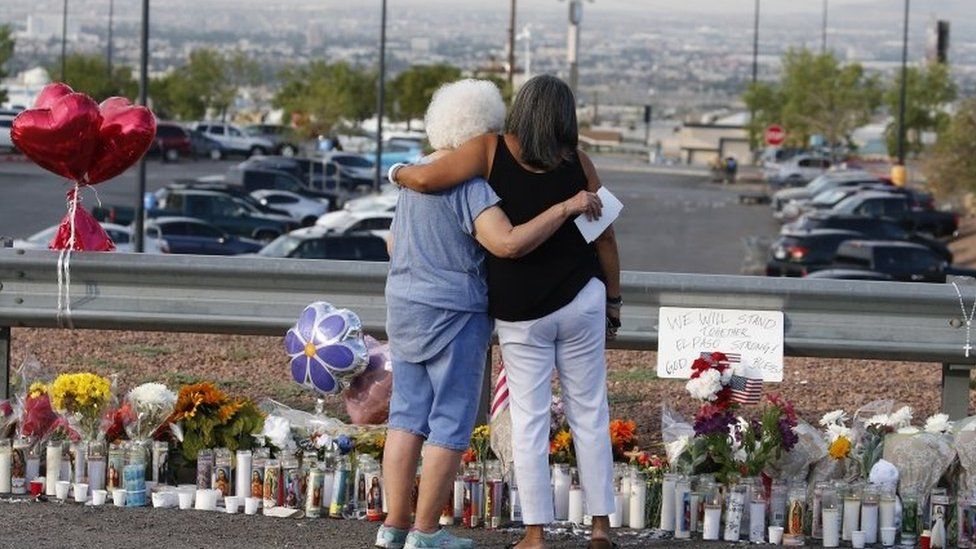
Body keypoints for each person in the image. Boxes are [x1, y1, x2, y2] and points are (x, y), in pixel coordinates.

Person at [391, 74, 622, 549]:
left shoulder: (491, 150)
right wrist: (613, 303)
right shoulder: (579, 162)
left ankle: (535, 534)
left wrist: (397, 172)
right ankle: (600, 527)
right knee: (590, 412)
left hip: (521, 310)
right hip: (581, 298)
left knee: (529, 418)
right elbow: (606, 237)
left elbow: (424, 177)